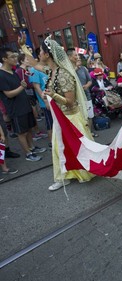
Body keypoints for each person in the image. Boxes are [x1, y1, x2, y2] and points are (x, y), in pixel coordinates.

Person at [19, 35, 95, 191]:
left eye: (40, 52)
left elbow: (70, 101)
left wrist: (52, 95)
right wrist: (23, 47)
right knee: (59, 148)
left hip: (71, 118)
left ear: (47, 54)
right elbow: (34, 64)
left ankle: (83, 171)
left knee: (77, 147)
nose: (38, 55)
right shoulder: (51, 70)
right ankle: (64, 177)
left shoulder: (63, 74)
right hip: (60, 117)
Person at [0, 47, 46, 162]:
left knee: (29, 128)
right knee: (21, 132)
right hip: (15, 109)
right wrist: (22, 86)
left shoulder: (13, 71)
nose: (16, 59)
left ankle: (32, 147)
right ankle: (28, 153)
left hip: (24, 105)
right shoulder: (1, 75)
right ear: (4, 59)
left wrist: (21, 85)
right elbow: (8, 94)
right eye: (12, 57)